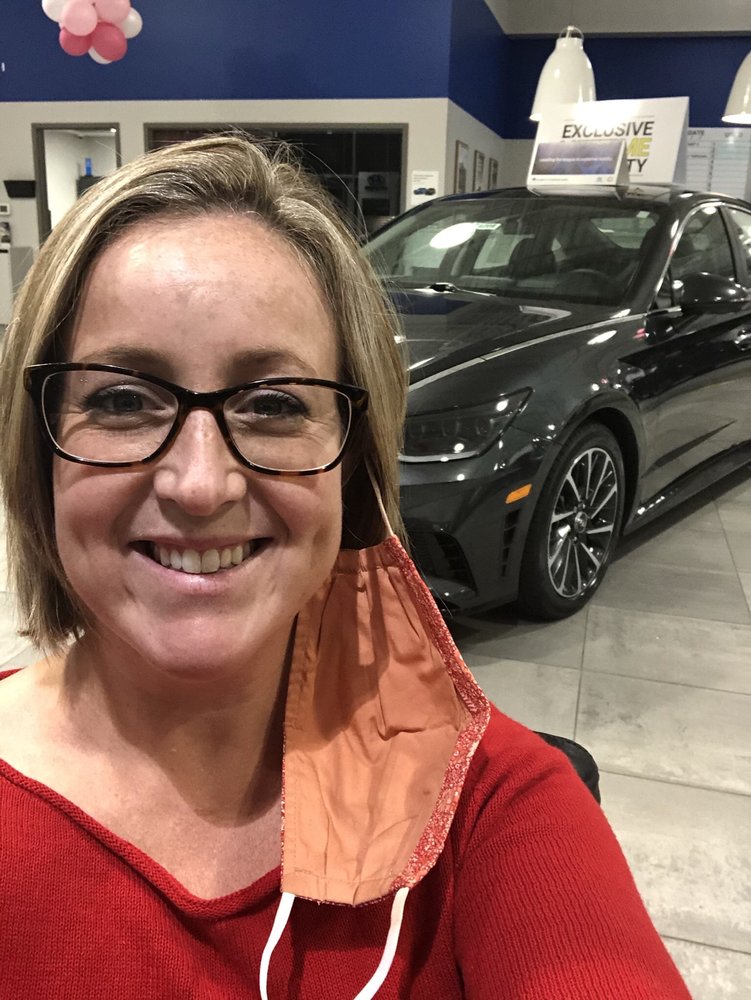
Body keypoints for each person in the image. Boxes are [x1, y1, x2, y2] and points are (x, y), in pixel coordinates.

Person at [0, 136, 690, 999]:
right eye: (122, 399)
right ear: (36, 454)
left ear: (351, 467)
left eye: (273, 404)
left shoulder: (491, 806)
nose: (200, 485)